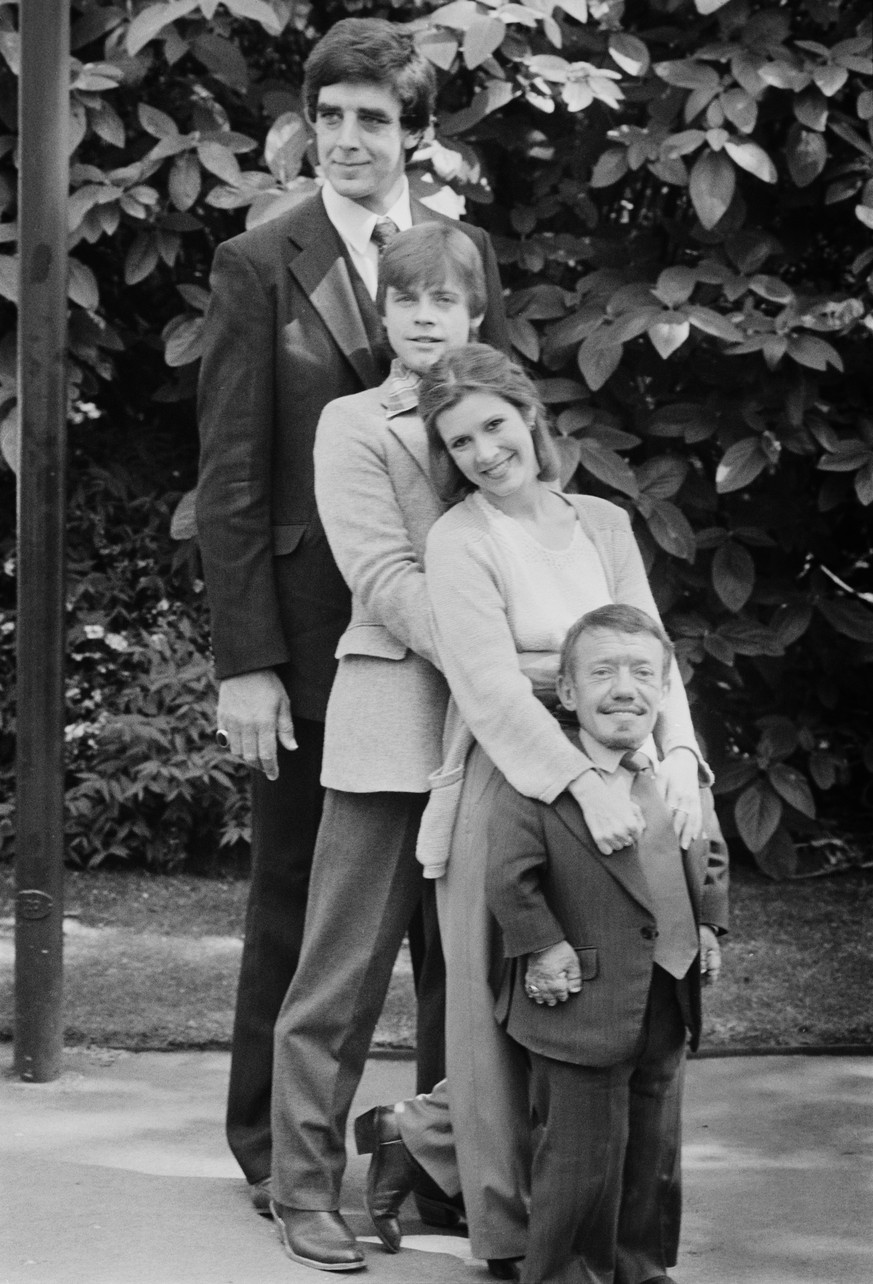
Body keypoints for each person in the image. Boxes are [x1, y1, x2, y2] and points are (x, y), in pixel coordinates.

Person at [195, 19, 508, 1215]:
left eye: (373, 118)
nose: (347, 139)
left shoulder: (460, 250)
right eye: (329, 116)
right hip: (313, 636)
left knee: (452, 907)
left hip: (453, 635)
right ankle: (277, 1156)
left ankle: (440, 1154)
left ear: (415, 134)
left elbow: (483, 421)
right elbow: (229, 476)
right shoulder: (257, 259)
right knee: (299, 896)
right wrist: (247, 665)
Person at [358, 345, 723, 1274]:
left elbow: (649, 653)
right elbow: (487, 686)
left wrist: (679, 757)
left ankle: (422, 1142)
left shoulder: (600, 521)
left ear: (528, 416)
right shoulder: (458, 538)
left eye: (493, 425)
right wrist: (579, 782)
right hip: (515, 780)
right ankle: (521, 1239)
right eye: (459, 441)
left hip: (626, 762)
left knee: (619, 1004)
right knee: (505, 1017)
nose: (483, 451)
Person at [269, 222, 501, 1273]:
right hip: (393, 724)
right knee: (341, 976)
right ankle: (303, 1192)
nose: (421, 315)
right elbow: (384, 573)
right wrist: (503, 649)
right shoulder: (352, 422)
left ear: (474, 316)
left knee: (476, 980)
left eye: (443, 300)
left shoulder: (498, 414)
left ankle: (446, 1171)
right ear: (382, 309)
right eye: (403, 297)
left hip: (492, 736)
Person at [485, 603, 728, 1284]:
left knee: (653, 1149)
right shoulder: (543, 781)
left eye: (641, 673)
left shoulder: (675, 775)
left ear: (662, 687)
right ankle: (566, 1272)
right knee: (579, 1155)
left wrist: (708, 925)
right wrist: (541, 946)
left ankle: (639, 1267)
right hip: (579, 996)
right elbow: (508, 877)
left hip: (666, 989)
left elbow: (709, 853)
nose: (624, 688)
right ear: (566, 692)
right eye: (601, 672)